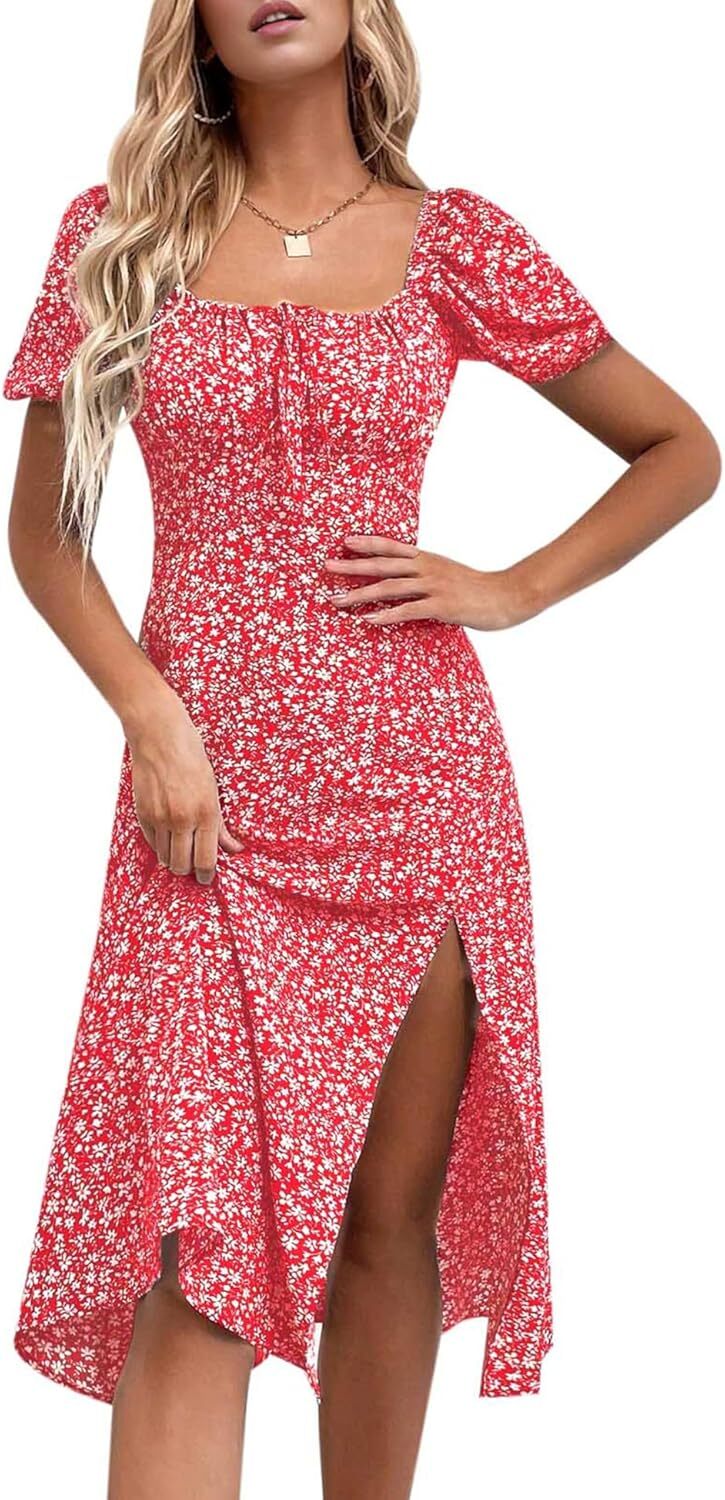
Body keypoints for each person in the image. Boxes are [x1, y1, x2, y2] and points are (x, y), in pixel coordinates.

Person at [3, 3, 720, 1498]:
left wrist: (513, 586)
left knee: (385, 1222)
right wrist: (150, 713)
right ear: (194, 24)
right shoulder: (115, 234)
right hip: (202, 801)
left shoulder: (456, 241)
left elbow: (680, 448)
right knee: (194, 1238)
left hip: (416, 785)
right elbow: (48, 539)